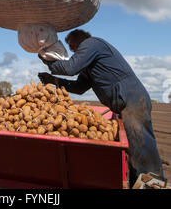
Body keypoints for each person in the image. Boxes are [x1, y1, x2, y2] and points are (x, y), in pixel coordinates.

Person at [38, 29, 164, 188]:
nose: (72, 51)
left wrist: (48, 60)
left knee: (142, 147)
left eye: (72, 46)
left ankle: (155, 186)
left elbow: (70, 68)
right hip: (126, 101)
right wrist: (54, 80)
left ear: (81, 40)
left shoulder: (92, 44)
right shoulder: (89, 62)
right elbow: (79, 87)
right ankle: (138, 185)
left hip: (132, 98)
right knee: (134, 150)